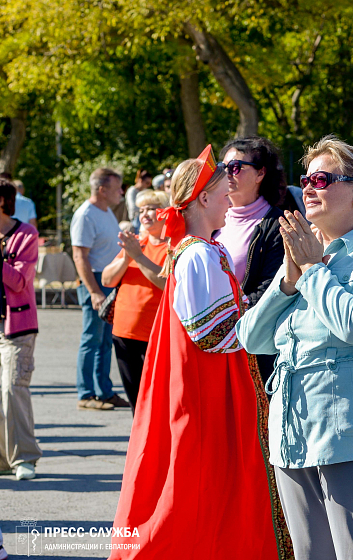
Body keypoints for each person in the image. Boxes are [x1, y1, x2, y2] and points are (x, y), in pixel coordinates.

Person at [236, 136, 353, 560]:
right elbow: (250, 337)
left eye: (322, 178)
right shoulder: (305, 256)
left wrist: (315, 271)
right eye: (307, 179)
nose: (310, 188)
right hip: (296, 433)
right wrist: (288, 278)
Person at [110, 146, 288, 559]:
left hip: (214, 385)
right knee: (199, 480)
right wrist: (275, 311)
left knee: (210, 483)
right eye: (223, 193)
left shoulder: (205, 250)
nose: (229, 199)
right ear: (203, 198)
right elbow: (211, 335)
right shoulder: (196, 255)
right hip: (207, 389)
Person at [213, 136, 304, 386]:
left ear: (260, 173)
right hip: (212, 339)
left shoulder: (278, 224)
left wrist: (222, 321)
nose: (228, 173)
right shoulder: (211, 219)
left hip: (252, 344)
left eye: (236, 167)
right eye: (222, 167)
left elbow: (269, 289)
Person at [101, 189, 169, 415]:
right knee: (136, 403)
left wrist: (139, 258)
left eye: (151, 208)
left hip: (156, 335)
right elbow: (107, 279)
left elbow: (167, 284)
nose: (145, 214)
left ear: (166, 213)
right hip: (124, 333)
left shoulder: (173, 246)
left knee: (156, 401)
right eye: (141, 210)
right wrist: (128, 258)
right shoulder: (135, 242)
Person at [71, 168, 129, 411]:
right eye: (117, 188)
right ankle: (86, 393)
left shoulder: (105, 212)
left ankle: (103, 391)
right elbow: (79, 256)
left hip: (108, 281)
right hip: (95, 281)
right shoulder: (86, 215)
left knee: (105, 340)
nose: (122, 193)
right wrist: (94, 291)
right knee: (92, 338)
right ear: (102, 190)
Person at [0, 178, 40, 481]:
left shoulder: (25, 234)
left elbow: (18, 282)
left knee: (13, 389)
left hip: (17, 325)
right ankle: (3, 459)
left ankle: (24, 457)